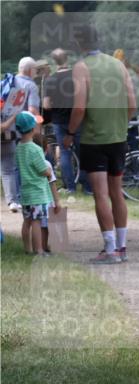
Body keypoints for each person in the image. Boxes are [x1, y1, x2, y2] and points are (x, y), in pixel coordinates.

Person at [66, 25, 135, 264]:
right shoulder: (118, 65)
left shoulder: (81, 67)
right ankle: (122, 248)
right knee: (117, 193)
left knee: (101, 195)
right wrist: (119, 124)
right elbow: (132, 104)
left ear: (79, 43)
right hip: (118, 138)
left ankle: (109, 249)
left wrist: (70, 132)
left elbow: (79, 107)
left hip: (94, 139)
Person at [43, 49, 88, 194]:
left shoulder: (50, 80)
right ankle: (87, 186)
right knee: (83, 152)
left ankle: (70, 187)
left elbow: (46, 105)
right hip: (78, 119)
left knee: (64, 153)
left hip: (59, 120)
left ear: (54, 61)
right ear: (67, 59)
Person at [15, 112, 60, 255]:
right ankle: (39, 250)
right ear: (32, 127)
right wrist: (48, 171)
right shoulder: (35, 149)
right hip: (38, 193)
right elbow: (43, 170)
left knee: (26, 221)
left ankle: (27, 249)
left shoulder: (18, 147)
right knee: (36, 222)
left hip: (26, 192)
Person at [1, 57, 41, 212]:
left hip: (3, 128)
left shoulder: (5, 82)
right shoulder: (30, 85)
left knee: (8, 168)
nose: (36, 73)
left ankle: (14, 200)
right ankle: (17, 199)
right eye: (35, 70)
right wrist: (37, 129)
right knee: (13, 167)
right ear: (30, 70)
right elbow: (32, 110)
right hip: (17, 131)